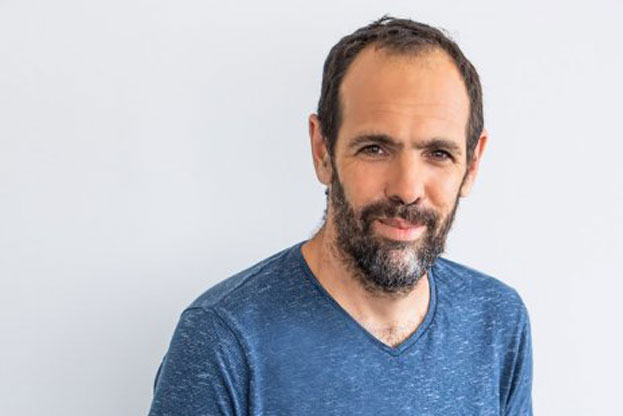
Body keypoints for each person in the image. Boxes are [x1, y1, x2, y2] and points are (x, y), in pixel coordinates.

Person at [149, 16, 533, 415]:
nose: (407, 189)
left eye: (438, 154)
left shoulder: (498, 321)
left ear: (472, 165)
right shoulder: (223, 339)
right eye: (375, 149)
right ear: (322, 150)